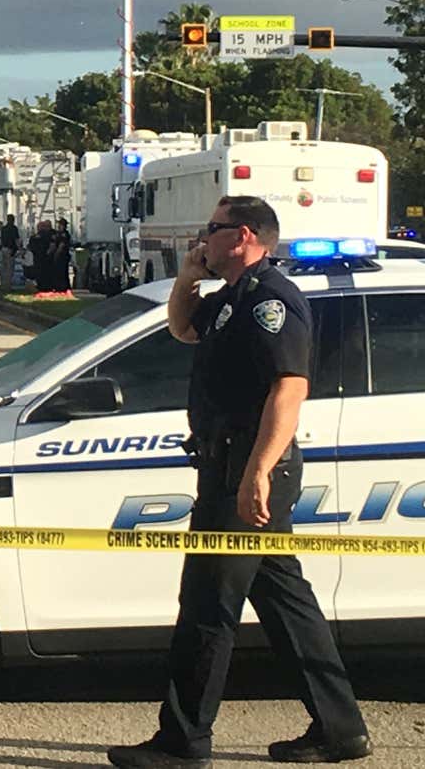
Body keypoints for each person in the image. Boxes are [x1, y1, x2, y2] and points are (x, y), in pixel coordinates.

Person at [107, 196, 371, 769]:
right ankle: (340, 728)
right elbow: (182, 328)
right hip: (230, 465)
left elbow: (289, 388)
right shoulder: (233, 298)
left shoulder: (272, 301)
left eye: (213, 229)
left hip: (247, 470)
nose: (204, 237)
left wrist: (255, 473)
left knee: (207, 603)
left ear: (244, 235)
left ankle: (183, 743)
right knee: (282, 598)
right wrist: (187, 277)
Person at [0, 214, 21, 290]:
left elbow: (0, 239)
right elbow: (16, 240)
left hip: (3, 249)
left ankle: (2, 284)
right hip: (10, 250)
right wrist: (19, 248)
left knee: (3, 268)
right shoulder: (14, 228)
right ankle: (8, 285)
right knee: (10, 268)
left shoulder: (3, 228)